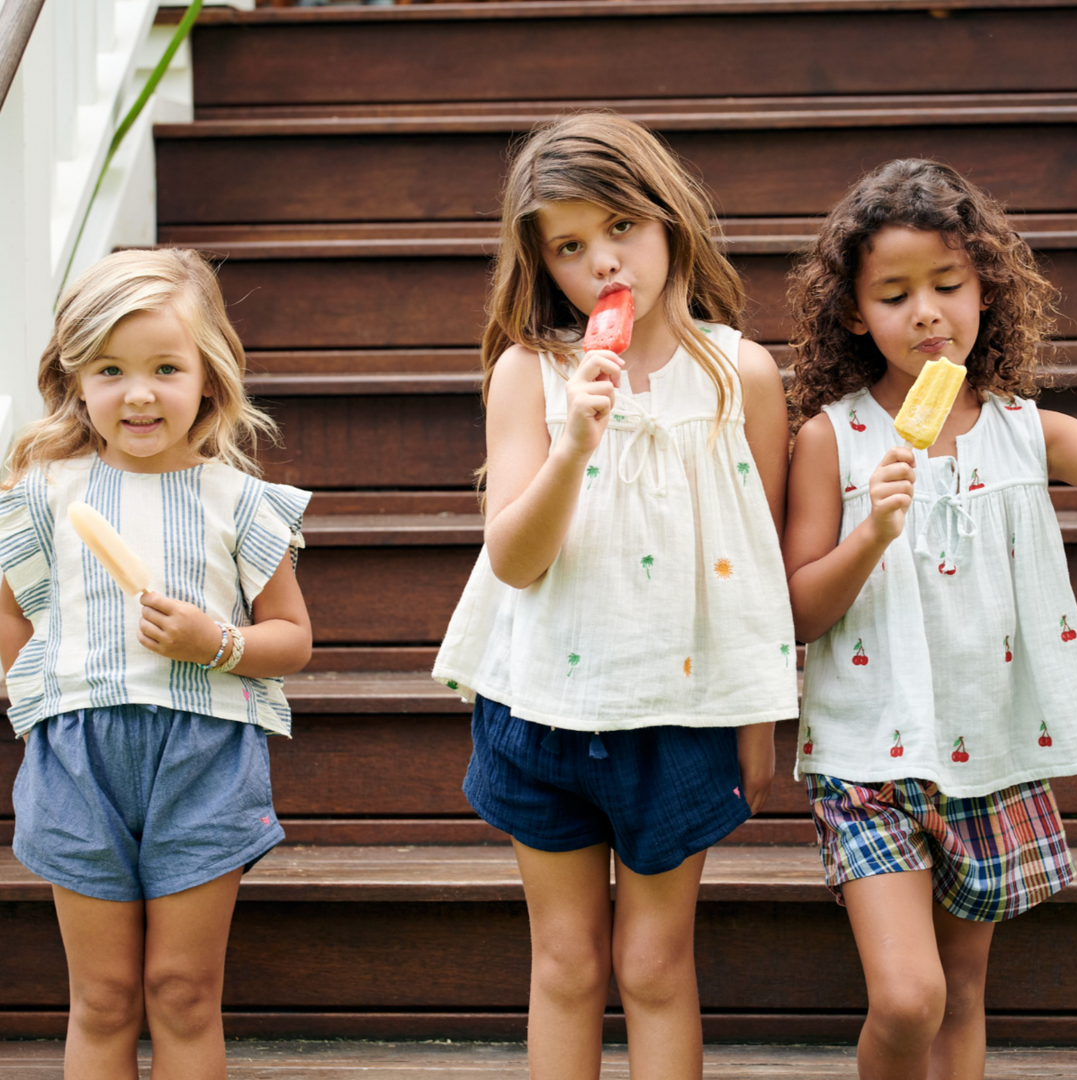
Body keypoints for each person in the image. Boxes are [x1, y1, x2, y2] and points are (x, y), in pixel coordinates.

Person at [433, 113, 797, 1079]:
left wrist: (755, 719)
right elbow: (513, 560)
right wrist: (572, 448)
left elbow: (754, 564)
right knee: (565, 960)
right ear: (542, 264)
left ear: (671, 219)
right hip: (541, 704)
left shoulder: (742, 376)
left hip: (680, 716)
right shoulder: (530, 375)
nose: (604, 261)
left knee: (655, 961)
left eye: (622, 227)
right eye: (570, 246)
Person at [784, 158, 1077, 1080]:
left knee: (960, 991)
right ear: (852, 313)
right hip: (868, 755)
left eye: (948, 285)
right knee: (909, 998)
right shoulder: (832, 438)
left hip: (988, 749)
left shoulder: (1029, 432)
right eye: (895, 293)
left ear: (986, 286)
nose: (926, 313)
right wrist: (873, 528)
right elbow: (799, 608)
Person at [0, 249, 312, 1080]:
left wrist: (216, 642)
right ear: (76, 381)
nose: (138, 393)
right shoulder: (45, 494)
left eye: (165, 368)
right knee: (102, 998)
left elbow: (292, 637)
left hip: (205, 757)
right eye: (110, 369)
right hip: (77, 757)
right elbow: (11, 614)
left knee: (180, 990)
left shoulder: (239, 502)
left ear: (208, 378)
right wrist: (35, 699)